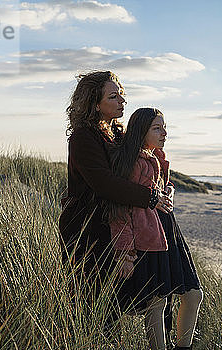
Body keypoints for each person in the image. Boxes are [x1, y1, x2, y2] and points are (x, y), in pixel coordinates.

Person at [107, 107, 207, 350]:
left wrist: (169, 188)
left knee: (193, 294)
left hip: (168, 231)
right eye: (157, 128)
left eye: (165, 128)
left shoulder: (155, 159)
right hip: (147, 237)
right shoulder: (132, 163)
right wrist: (125, 252)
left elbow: (162, 186)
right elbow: (119, 212)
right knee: (156, 302)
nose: (164, 133)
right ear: (141, 131)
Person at [58, 71, 173, 304]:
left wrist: (166, 187)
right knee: (89, 302)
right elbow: (104, 183)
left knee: (121, 303)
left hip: (115, 225)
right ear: (95, 103)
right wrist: (150, 197)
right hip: (86, 230)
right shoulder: (83, 137)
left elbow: (146, 163)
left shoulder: (118, 133)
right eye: (113, 97)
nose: (122, 101)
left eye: (121, 95)